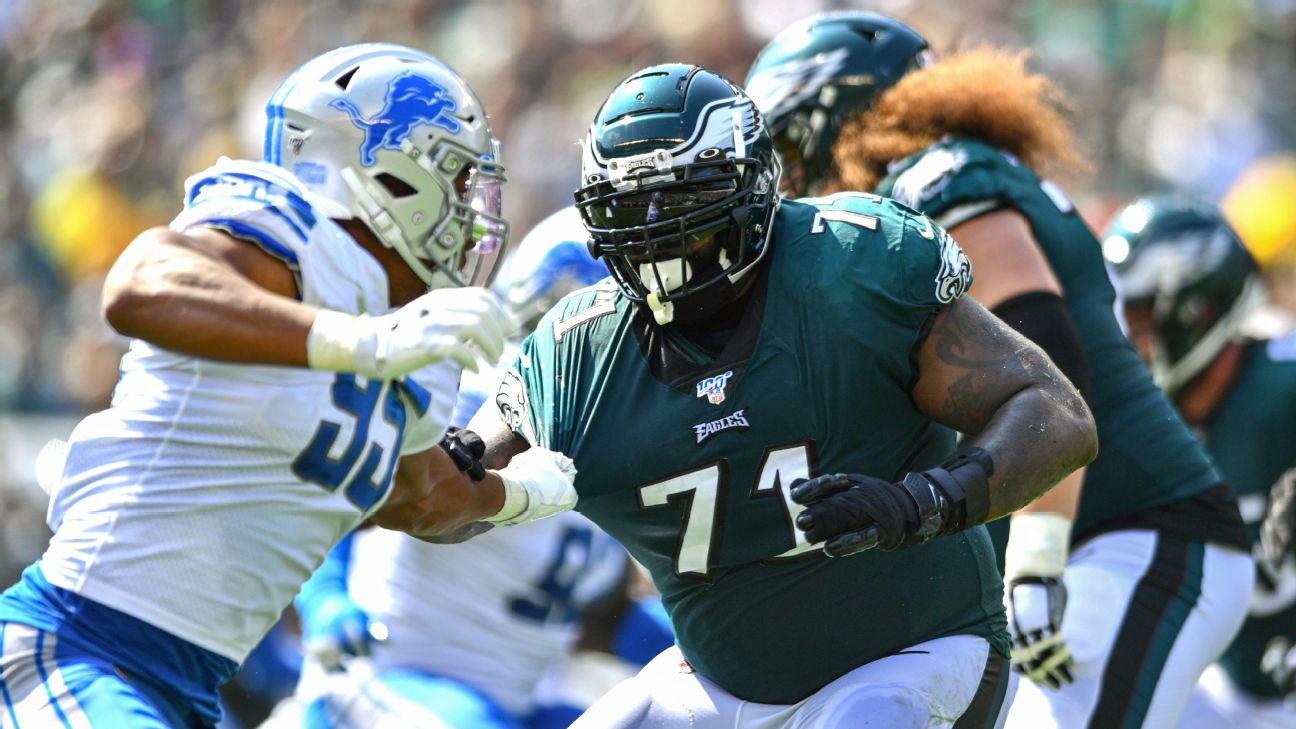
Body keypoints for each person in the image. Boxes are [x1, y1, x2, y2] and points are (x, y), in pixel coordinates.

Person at [466, 62, 1098, 728]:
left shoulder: (849, 270)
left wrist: (924, 500)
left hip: (915, 653)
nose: (656, 234)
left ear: (753, 187)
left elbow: (1055, 412)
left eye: (682, 201)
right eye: (628, 208)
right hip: (717, 682)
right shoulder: (578, 353)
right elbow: (457, 485)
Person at [0, 43, 577, 729]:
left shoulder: (415, 336)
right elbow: (139, 286)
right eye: (454, 179)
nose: (471, 212)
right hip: (81, 645)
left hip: (186, 685)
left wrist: (529, 493)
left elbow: (419, 494)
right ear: (380, 172)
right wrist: (364, 344)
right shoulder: (295, 234)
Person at [743, 12, 1254, 728]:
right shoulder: (914, 198)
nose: (787, 176)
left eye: (792, 141)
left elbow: (1049, 360)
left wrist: (1038, 556)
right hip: (1087, 539)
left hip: (1138, 532)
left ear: (848, 113)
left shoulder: (934, 179)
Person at [273, 206, 673, 729]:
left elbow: (604, 616)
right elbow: (340, 494)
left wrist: (721, 656)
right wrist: (326, 601)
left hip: (512, 705)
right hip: (389, 675)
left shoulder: (626, 439)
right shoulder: (482, 400)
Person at [1103, 196, 1296, 729]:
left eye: (1139, 316)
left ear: (1200, 306)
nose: (1126, 338)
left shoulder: (1281, 389)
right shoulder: (1133, 424)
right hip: (1227, 688)